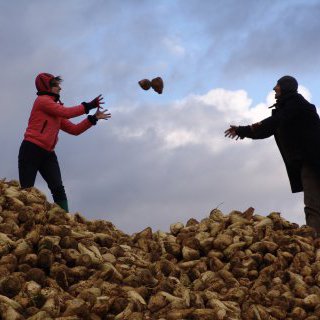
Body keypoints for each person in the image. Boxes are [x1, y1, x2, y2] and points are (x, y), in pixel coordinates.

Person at [225, 75, 320, 237]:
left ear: (286, 87)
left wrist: (245, 129)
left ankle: (315, 241)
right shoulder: (288, 109)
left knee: (313, 204)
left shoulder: (295, 104)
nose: (274, 88)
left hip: (314, 161)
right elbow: (267, 129)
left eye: (278, 85)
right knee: (313, 202)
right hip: (310, 161)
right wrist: (242, 131)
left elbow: (273, 122)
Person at [18, 72, 111, 211]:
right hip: (31, 149)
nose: (60, 88)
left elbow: (74, 130)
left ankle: (65, 221)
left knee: (58, 189)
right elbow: (67, 112)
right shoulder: (42, 101)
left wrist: (93, 119)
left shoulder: (55, 110)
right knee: (27, 189)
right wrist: (89, 105)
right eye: (56, 85)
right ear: (46, 87)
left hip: (48, 153)